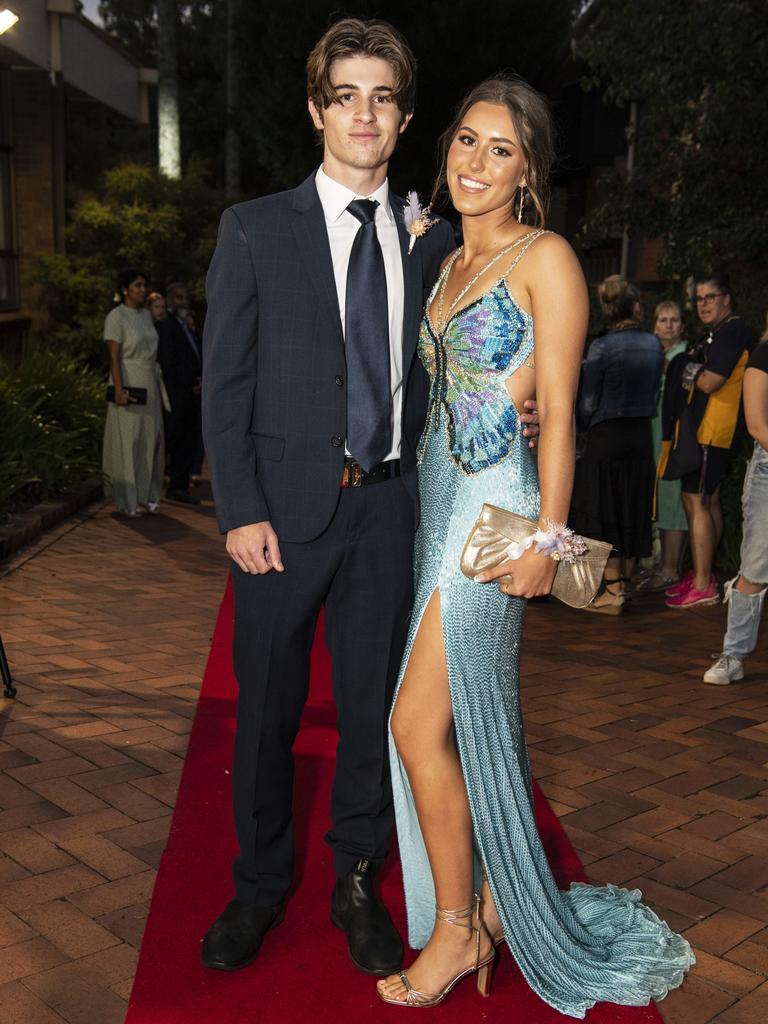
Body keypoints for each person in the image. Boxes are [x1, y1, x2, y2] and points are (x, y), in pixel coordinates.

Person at [376, 77, 693, 1013]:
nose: (475, 163)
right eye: (466, 143)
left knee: (414, 725)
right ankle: (486, 902)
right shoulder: (444, 263)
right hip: (439, 503)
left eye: (500, 150)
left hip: (495, 514)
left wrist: (548, 538)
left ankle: (459, 926)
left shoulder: (546, 256)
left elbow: (556, 415)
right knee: (452, 726)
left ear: (531, 172)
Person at [200, 18, 457, 979]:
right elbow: (224, 385)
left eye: (382, 96)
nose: (364, 113)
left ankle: (357, 878)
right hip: (280, 516)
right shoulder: (256, 228)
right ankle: (258, 888)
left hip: (390, 513)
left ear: (403, 117)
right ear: (317, 110)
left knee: (370, 715)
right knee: (264, 709)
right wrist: (240, 511)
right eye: (345, 95)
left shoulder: (432, 241)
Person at [570, 276, 663, 614]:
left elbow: (589, 401)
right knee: (632, 504)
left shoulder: (602, 347)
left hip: (606, 435)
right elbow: (654, 392)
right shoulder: (654, 344)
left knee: (604, 507)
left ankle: (613, 590)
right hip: (639, 435)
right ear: (635, 305)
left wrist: (579, 427)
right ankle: (624, 583)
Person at [664, 272, 756, 609]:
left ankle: (703, 585)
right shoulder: (718, 332)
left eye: (710, 298)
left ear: (726, 298)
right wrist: (693, 366)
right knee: (708, 500)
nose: (703, 304)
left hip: (711, 431)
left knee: (695, 500)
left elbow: (710, 382)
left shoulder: (733, 331)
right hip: (705, 430)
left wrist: (687, 367)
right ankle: (705, 574)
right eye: (699, 299)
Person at [704, 321, 768, 683]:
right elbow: (757, 425)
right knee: (756, 567)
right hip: (767, 473)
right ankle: (733, 654)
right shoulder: (763, 355)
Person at [102, 269, 165, 517]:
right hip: (128, 381)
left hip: (150, 382)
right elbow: (114, 357)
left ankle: (148, 494)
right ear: (125, 288)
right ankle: (127, 499)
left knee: (152, 441)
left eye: (144, 285)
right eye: (138, 285)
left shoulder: (146, 317)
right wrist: (119, 389)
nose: (142, 290)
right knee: (129, 440)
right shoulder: (115, 317)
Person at [636, 300, 689, 592]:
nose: (668, 325)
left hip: (673, 438)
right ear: (654, 325)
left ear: (682, 325)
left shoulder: (686, 355)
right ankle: (660, 564)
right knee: (658, 501)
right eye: (663, 320)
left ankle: (670, 569)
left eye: (674, 320)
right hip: (651, 437)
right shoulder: (652, 353)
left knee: (672, 503)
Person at [156, 282, 202, 506]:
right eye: (179, 298)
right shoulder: (168, 326)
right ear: (171, 300)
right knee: (177, 439)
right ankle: (175, 485)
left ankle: (180, 485)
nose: (183, 302)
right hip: (178, 393)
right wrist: (187, 384)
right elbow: (169, 362)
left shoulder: (188, 326)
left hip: (193, 392)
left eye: (186, 297)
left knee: (189, 440)